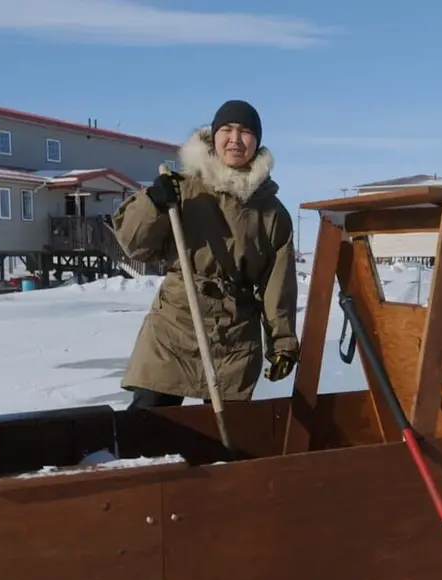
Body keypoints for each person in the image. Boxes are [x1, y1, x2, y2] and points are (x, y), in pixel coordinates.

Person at [108, 99, 300, 410]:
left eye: (246, 132)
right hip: (175, 324)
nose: (235, 140)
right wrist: (153, 202)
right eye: (227, 129)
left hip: (234, 335)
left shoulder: (271, 213)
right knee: (147, 423)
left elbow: (278, 286)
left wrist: (283, 343)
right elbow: (134, 244)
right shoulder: (182, 189)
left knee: (225, 435)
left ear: (258, 142)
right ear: (213, 135)